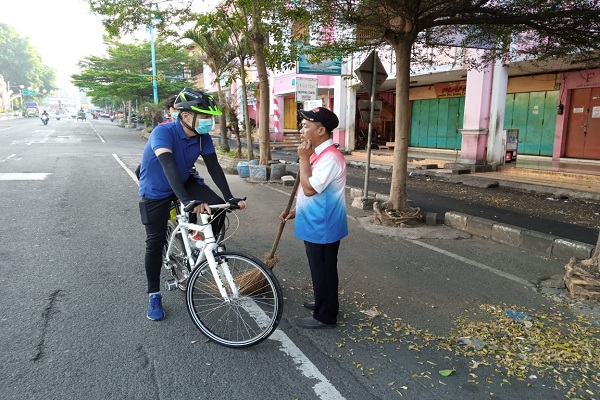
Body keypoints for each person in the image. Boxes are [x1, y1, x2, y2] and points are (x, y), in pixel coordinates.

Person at [138, 88, 247, 321]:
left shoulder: (201, 136)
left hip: (185, 182)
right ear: (186, 116)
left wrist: (229, 196)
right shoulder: (163, 132)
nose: (209, 122)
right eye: (205, 117)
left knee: (219, 207)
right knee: (154, 242)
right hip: (156, 189)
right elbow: (168, 167)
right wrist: (187, 202)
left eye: (210, 118)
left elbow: (214, 167)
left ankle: (198, 246)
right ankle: (154, 294)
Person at [279, 107, 348, 329]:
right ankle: (322, 301)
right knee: (319, 267)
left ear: (321, 130)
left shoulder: (330, 158)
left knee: (324, 269)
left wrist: (303, 158)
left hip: (324, 224)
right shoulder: (319, 153)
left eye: (305, 126)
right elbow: (311, 190)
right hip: (314, 220)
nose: (301, 129)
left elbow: (309, 189)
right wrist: (296, 211)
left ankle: (325, 315)